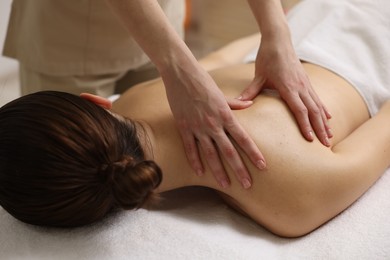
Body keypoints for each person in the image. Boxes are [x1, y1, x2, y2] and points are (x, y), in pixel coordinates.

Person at [0, 0, 389, 237]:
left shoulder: (289, 202)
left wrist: (275, 33)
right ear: (100, 103)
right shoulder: (139, 98)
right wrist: (279, 31)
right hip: (322, 18)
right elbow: (222, 62)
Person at [2, 0, 332, 189]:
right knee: (55, 164)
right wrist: (178, 69)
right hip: (68, 28)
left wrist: (276, 31)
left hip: (159, 15)